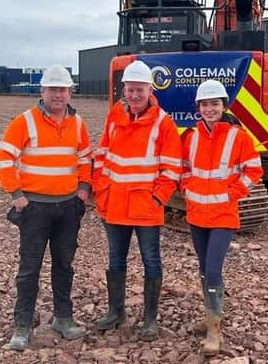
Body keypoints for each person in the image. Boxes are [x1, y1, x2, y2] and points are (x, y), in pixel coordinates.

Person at [0, 65, 92, 351]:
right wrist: (16, 194)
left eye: (63, 89)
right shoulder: (25, 121)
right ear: (42, 91)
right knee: (29, 268)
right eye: (53, 89)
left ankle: (63, 317)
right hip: (35, 208)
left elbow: (85, 159)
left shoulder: (78, 123)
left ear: (69, 92)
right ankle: (22, 326)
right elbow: (4, 157)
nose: (58, 95)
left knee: (64, 265)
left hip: (67, 208)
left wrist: (84, 190)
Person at [92, 60, 182, 341]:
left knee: (151, 261)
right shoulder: (115, 117)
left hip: (145, 206)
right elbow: (102, 156)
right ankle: (116, 311)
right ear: (124, 90)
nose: (134, 95)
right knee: (115, 260)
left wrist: (157, 199)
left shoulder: (163, 123)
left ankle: (150, 320)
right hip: (116, 204)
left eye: (139, 90)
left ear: (150, 89)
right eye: (129, 90)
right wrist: (101, 189)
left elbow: (171, 169)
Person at [180, 79, 264, 356]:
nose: (209, 109)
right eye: (204, 104)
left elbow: (253, 170)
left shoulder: (238, 136)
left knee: (214, 270)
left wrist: (233, 193)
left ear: (223, 106)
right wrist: (186, 187)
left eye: (214, 104)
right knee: (203, 269)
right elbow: (183, 168)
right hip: (196, 214)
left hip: (223, 215)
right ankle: (208, 317)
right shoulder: (191, 137)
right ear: (198, 108)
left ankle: (215, 330)